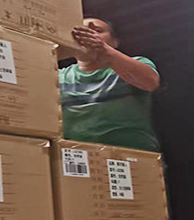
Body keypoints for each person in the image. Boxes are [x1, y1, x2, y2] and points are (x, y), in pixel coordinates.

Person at [59, 18, 161, 151]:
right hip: (76, 155)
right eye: (81, 32)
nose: (87, 35)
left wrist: (105, 52)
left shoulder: (136, 63)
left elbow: (150, 82)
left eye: (97, 30)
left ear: (114, 42)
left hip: (132, 155)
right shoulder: (59, 75)